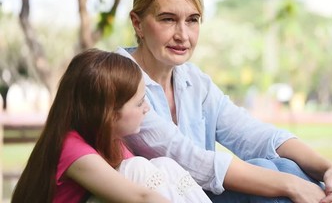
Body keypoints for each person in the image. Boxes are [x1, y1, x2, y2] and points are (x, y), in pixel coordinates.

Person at [119, 0, 332, 203]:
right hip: (163, 197)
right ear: (137, 23)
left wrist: (326, 167)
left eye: (192, 20)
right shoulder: (117, 77)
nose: (183, 35)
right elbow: (192, 160)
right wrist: (291, 185)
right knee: (274, 178)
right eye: (168, 19)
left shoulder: (193, 80)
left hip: (197, 195)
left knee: (283, 166)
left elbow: (252, 135)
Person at [11, 48, 212, 203]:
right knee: (137, 168)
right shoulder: (71, 148)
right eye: (140, 102)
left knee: (164, 164)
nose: (147, 108)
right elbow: (140, 197)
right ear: (109, 113)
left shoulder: (108, 141)